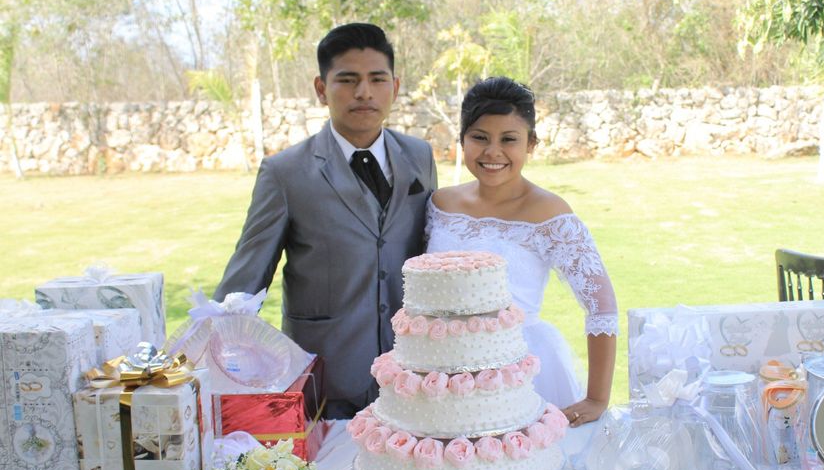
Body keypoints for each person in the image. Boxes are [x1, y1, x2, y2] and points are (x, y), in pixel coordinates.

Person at [214, 23, 437, 419]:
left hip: (415, 374)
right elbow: (246, 279)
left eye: (376, 79)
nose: (364, 92)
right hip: (325, 379)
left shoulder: (419, 156)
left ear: (395, 87)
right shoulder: (284, 173)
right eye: (347, 80)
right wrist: (217, 357)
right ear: (321, 89)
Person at [425, 76, 618, 427]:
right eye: (479, 138)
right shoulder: (441, 203)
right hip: (442, 364)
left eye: (508, 139)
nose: (492, 152)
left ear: (531, 144)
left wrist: (597, 398)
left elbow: (601, 305)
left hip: (520, 368)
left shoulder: (549, 212)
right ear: (462, 140)